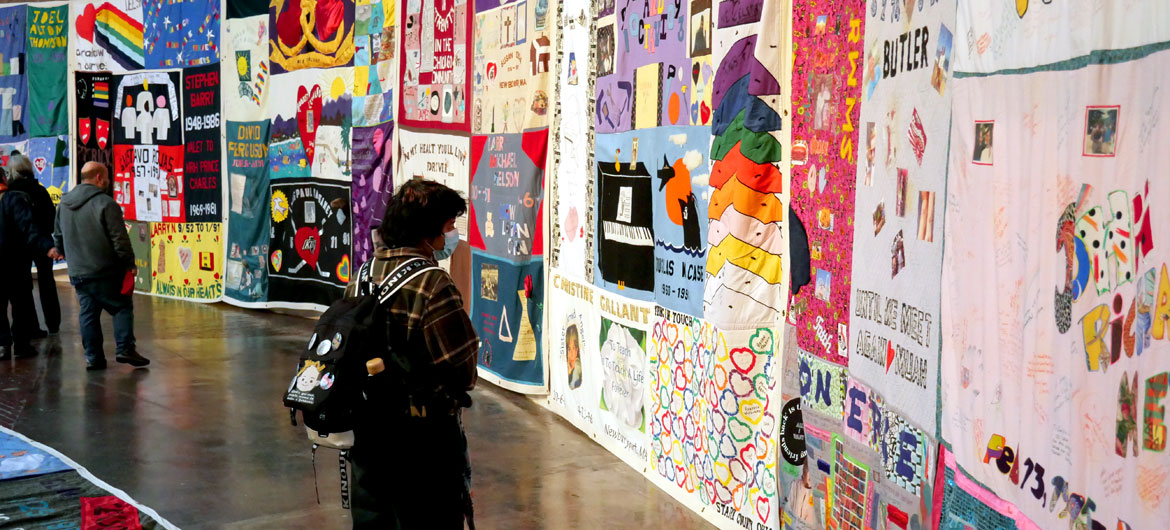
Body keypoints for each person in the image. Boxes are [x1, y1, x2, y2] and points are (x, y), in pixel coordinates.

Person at [346, 179, 478, 529]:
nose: (452, 235)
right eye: (449, 226)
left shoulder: (362, 276)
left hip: (369, 436)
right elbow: (463, 370)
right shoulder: (433, 284)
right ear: (428, 232)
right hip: (424, 445)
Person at [53, 162, 150, 370]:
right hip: (106, 270)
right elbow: (119, 238)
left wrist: (62, 250)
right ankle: (125, 347)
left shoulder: (64, 203)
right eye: (106, 177)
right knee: (121, 305)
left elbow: (58, 236)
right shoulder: (106, 203)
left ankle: (93, 357)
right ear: (98, 178)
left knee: (88, 313)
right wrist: (129, 263)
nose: (108, 181)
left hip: (78, 271)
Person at [0, 166, 60, 360]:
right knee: (21, 303)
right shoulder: (14, 200)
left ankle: (3, 344)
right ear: (4, 178)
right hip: (16, 262)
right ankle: (21, 344)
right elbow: (29, 227)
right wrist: (47, 247)